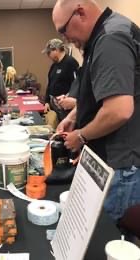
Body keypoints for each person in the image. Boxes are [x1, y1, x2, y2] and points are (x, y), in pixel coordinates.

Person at [52, 0, 140, 221]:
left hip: (119, 164)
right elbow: (97, 93)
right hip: (109, 159)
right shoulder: (99, 39)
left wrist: (81, 135)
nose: (65, 39)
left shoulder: (110, 40)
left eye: (63, 30)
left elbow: (118, 110)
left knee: (108, 241)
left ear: (80, 13)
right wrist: (74, 116)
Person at [42, 38, 79, 122]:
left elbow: (77, 85)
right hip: (54, 106)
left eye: (49, 52)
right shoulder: (54, 66)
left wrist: (69, 98)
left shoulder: (70, 62)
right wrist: (47, 102)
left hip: (65, 107)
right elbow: (50, 84)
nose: (48, 56)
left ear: (56, 50)